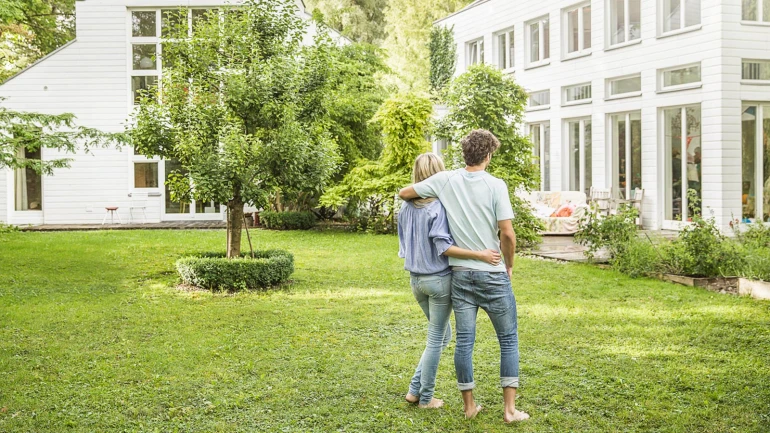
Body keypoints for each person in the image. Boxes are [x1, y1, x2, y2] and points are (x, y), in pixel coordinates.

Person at [398, 129, 530, 423]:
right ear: (488, 155)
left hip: (460, 276)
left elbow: (406, 193)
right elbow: (507, 233)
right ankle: (510, 411)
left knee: (463, 343)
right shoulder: (496, 184)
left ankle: (469, 407)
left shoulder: (446, 180)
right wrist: (509, 264)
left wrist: (423, 191)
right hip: (492, 273)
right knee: (508, 340)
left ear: (464, 153)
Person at [398, 152, 501, 409]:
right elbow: (443, 246)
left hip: (416, 281)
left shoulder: (404, 208)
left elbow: (404, 245)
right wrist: (479, 254)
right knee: (437, 339)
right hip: (438, 281)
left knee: (442, 336)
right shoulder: (438, 207)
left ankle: (414, 390)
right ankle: (426, 397)